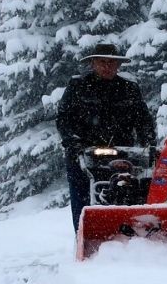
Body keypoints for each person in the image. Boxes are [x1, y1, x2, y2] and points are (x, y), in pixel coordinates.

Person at [57, 42, 157, 230]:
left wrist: (148, 142)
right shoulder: (78, 86)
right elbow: (64, 119)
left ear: (118, 65)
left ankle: (134, 230)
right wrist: (74, 143)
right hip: (84, 155)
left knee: (134, 189)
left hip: (122, 154)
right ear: (93, 63)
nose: (107, 66)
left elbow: (143, 120)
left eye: (111, 63)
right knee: (84, 197)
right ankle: (84, 234)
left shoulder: (129, 89)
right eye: (102, 62)